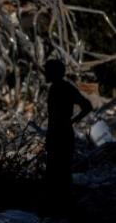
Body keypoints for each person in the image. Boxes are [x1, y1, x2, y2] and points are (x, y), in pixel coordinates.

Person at [43, 59, 92, 205]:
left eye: (48, 70)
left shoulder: (62, 88)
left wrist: (71, 121)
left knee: (59, 171)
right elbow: (87, 106)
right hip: (60, 133)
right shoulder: (62, 88)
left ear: (54, 72)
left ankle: (63, 204)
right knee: (59, 171)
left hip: (61, 135)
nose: (45, 73)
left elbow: (87, 106)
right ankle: (61, 203)